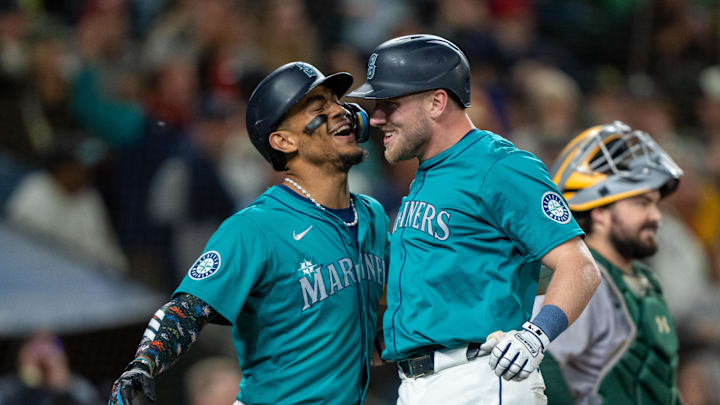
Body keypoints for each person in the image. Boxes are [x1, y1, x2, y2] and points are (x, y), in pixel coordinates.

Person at [107, 61, 389, 405]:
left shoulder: (371, 216)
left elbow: (377, 320)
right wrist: (144, 364)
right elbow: (189, 308)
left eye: (337, 102)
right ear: (283, 140)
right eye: (319, 107)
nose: (341, 112)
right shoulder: (256, 227)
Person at [347, 34, 601, 404]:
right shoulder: (428, 173)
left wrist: (535, 335)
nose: (377, 117)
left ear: (437, 102)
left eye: (391, 103)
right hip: (419, 381)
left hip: (480, 377)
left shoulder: (498, 165)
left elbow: (579, 265)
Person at [535, 121, 684, 404]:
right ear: (600, 211)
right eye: (641, 203)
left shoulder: (644, 279)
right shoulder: (578, 279)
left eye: (655, 204)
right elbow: (543, 366)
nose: (656, 216)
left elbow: (658, 382)